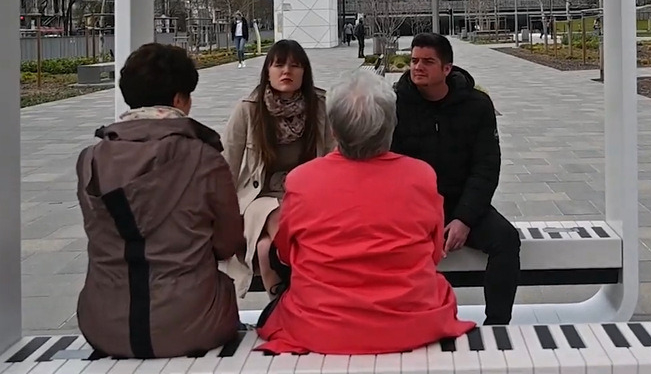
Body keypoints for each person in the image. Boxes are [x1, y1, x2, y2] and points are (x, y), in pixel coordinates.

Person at [256, 69, 474, 355]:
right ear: (390, 127)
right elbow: (434, 253)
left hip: (321, 327)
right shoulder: (421, 176)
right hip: (412, 323)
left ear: (333, 130)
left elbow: (286, 253)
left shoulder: (301, 180)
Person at [76, 43, 243, 358]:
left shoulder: (91, 160)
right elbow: (227, 242)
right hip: (194, 323)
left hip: (103, 326)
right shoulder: (204, 157)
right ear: (180, 99)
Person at [391, 32, 520, 325]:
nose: (417, 67)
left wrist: (464, 218)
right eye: (413, 61)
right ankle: (402, 322)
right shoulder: (395, 105)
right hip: (413, 209)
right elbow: (388, 168)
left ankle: (498, 325)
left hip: (462, 203)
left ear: (447, 69)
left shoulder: (476, 106)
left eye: (427, 62)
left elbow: (486, 167)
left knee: (506, 240)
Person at [222, 39, 333, 298]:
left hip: (307, 195)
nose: (287, 71)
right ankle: (305, 288)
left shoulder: (320, 106)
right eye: (279, 65)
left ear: (304, 72)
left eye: (295, 66)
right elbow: (227, 163)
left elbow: (332, 155)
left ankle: (280, 302)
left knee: (264, 249)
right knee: (277, 212)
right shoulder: (248, 109)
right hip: (260, 197)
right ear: (267, 71)